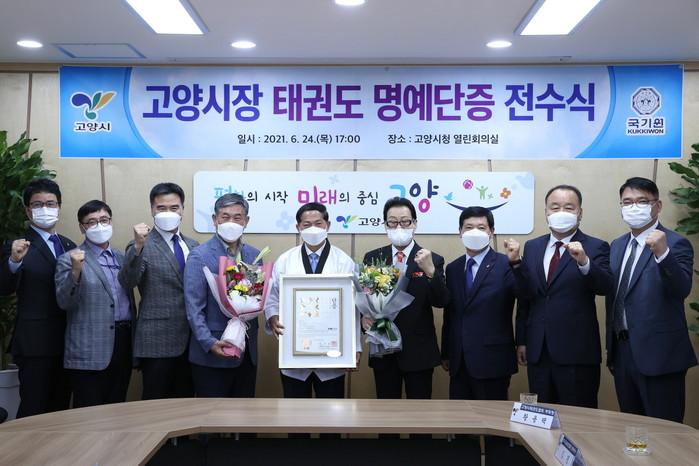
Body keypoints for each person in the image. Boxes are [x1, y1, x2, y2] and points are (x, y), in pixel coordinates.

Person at [606, 177, 697, 422]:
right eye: (627, 202)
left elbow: (681, 289)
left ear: (657, 205)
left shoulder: (676, 243)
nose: (634, 207)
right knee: (632, 429)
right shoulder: (617, 245)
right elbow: (615, 296)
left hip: (660, 356)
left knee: (664, 431)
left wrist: (663, 253)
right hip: (623, 352)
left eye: (642, 201)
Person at [514, 185, 612, 408]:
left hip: (577, 352)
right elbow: (526, 297)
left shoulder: (596, 246)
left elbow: (605, 286)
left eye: (569, 207)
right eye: (555, 207)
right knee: (541, 416)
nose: (561, 212)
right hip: (539, 350)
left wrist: (584, 262)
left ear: (580, 213)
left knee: (578, 419)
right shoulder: (533, 247)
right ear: (546, 212)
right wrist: (522, 340)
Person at [265, 202, 360, 404]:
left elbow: (354, 308)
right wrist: (273, 317)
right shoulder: (285, 260)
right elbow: (272, 297)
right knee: (295, 415)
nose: (313, 229)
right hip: (294, 356)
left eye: (318, 223)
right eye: (306, 225)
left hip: (333, 358)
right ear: (298, 227)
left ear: (328, 225)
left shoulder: (344, 262)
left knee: (333, 416)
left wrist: (354, 348)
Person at [0, 179, 75, 417]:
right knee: (34, 410)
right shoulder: (16, 246)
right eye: (37, 204)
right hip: (35, 345)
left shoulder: (69, 245)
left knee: (60, 409)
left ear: (59, 207)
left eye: (50, 203)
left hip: (69, 342)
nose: (45, 209)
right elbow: (4, 288)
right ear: (27, 210)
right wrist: (13, 262)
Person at [362, 197, 447, 404]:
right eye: (392, 222)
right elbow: (365, 299)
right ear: (385, 225)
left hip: (419, 351)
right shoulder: (372, 258)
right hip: (383, 348)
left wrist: (431, 272)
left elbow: (441, 301)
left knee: (420, 414)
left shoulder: (431, 258)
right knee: (386, 413)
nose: (399, 227)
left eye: (405, 221)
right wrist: (364, 318)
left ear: (414, 224)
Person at [119, 182, 198, 400]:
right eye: (161, 208)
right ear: (152, 210)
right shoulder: (140, 244)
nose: (168, 213)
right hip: (157, 339)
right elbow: (128, 281)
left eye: (174, 207)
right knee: (156, 405)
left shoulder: (193, 245)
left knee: (186, 403)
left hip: (192, 339)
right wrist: (138, 247)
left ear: (182, 210)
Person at [55, 200, 135, 408]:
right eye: (91, 222)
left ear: (111, 222)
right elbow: (64, 301)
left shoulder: (121, 257)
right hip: (89, 350)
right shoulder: (69, 259)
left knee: (118, 407)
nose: (99, 226)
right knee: (89, 412)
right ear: (82, 227)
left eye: (104, 220)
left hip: (123, 341)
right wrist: (75, 272)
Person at [184, 193, 260, 398]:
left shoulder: (255, 255)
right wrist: (208, 342)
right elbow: (194, 307)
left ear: (246, 221)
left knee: (246, 413)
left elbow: (257, 299)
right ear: (215, 219)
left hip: (246, 353)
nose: (231, 222)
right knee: (212, 414)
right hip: (212, 353)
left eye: (237, 217)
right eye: (225, 217)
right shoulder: (199, 255)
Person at [441, 206, 519, 402]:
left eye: (481, 227)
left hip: (493, 360)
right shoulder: (453, 268)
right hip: (459, 360)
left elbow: (525, 295)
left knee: (493, 418)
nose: (474, 232)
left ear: (491, 231)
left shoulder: (506, 264)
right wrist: (447, 352)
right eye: (468, 227)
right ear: (460, 232)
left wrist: (517, 264)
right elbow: (450, 313)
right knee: (460, 418)